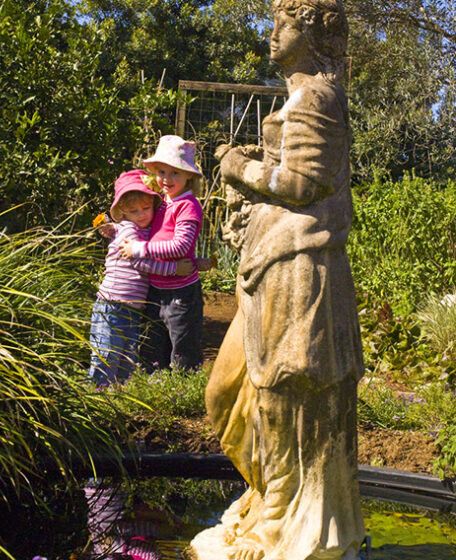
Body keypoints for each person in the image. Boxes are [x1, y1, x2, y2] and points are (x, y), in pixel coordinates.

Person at [189, 0, 366, 559]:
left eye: (281, 26)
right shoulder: (300, 95)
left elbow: (301, 185)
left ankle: (279, 519)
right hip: (272, 265)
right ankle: (267, 495)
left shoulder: (316, 96)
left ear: (310, 35)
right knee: (229, 393)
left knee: (284, 396)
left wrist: (237, 166)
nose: (271, 36)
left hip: (299, 266)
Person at [88, 169, 194, 385]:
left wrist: (196, 262)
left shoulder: (145, 231)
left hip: (132, 310)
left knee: (126, 360)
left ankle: (116, 402)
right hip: (112, 305)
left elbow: (160, 250)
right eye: (134, 211)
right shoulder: (128, 230)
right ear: (124, 213)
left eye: (146, 208)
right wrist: (174, 269)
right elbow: (140, 262)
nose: (142, 214)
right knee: (106, 356)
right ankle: (95, 397)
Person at [119, 135, 205, 372]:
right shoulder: (163, 203)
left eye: (175, 173)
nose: (167, 179)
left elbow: (178, 246)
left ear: (189, 176)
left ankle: (183, 389)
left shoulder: (188, 206)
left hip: (181, 291)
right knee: (153, 344)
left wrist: (139, 249)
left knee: (183, 343)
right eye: (162, 172)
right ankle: (155, 385)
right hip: (156, 287)